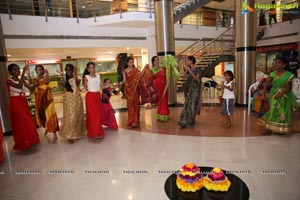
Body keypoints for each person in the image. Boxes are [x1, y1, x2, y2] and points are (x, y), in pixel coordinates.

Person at [258, 57, 297, 133]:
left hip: (285, 95)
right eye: (275, 63)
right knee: (273, 110)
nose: (276, 64)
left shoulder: (289, 75)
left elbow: (290, 87)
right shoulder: (272, 74)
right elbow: (266, 84)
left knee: (282, 112)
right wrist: (263, 93)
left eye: (279, 63)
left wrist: (281, 93)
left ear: (284, 65)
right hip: (274, 94)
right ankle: (268, 127)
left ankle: (280, 129)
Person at [6, 64, 40, 149]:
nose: (17, 71)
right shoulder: (8, 80)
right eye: (14, 69)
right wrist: (23, 73)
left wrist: (36, 84)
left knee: (29, 121)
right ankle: (23, 142)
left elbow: (31, 88)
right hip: (15, 103)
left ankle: (30, 140)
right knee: (21, 122)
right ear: (9, 72)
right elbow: (19, 86)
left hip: (23, 101)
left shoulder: (22, 80)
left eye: (18, 69)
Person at [58, 64, 85, 143]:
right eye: (67, 70)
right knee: (70, 116)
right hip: (68, 99)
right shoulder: (65, 79)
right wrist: (62, 76)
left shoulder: (77, 78)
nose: (68, 71)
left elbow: (76, 84)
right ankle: (69, 134)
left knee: (77, 115)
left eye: (70, 69)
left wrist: (75, 73)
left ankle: (77, 132)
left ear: (73, 70)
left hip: (76, 98)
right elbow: (65, 86)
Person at [33, 64, 59, 143]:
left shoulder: (45, 78)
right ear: (36, 71)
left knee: (51, 115)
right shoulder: (34, 79)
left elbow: (47, 82)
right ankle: (47, 128)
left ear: (43, 70)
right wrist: (37, 76)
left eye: (40, 69)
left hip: (47, 98)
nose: (39, 71)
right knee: (43, 115)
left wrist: (47, 74)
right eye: (37, 70)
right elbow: (36, 84)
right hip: (40, 99)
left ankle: (54, 134)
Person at [151, 55, 179, 121]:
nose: (157, 61)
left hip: (165, 87)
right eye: (155, 60)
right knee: (160, 101)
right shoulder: (151, 69)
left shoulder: (162, 68)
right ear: (152, 62)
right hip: (157, 88)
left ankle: (163, 115)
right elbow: (151, 79)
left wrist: (173, 67)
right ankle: (161, 115)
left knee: (165, 100)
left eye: (157, 60)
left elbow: (169, 72)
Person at [178, 56, 203, 128]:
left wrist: (189, 71)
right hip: (187, 88)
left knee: (192, 104)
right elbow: (183, 78)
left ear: (191, 61)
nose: (186, 62)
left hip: (194, 89)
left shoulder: (198, 69)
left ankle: (191, 119)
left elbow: (197, 79)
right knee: (187, 104)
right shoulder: (189, 69)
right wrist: (186, 71)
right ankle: (187, 119)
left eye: (187, 60)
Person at [83, 62, 105, 138]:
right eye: (90, 68)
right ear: (88, 69)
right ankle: (95, 132)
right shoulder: (86, 77)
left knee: (98, 114)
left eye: (93, 67)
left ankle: (96, 130)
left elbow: (102, 86)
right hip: (90, 97)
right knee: (93, 115)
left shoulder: (98, 76)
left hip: (97, 96)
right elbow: (85, 88)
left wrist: (111, 85)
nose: (92, 69)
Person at [121, 57, 141, 128]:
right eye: (130, 62)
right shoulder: (125, 71)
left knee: (136, 104)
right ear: (127, 63)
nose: (131, 64)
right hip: (129, 90)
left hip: (135, 89)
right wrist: (120, 83)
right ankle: (131, 121)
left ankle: (136, 121)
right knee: (130, 105)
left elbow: (140, 78)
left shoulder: (136, 70)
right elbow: (124, 80)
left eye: (132, 62)